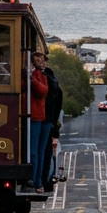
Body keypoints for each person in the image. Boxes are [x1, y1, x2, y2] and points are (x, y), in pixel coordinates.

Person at [26, 50, 51, 193]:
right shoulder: (32, 75)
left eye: (41, 59)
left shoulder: (41, 76)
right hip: (31, 115)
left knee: (35, 152)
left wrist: (32, 79)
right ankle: (35, 180)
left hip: (36, 116)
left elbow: (43, 91)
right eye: (38, 59)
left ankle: (36, 180)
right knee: (34, 152)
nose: (41, 61)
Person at [40, 59, 64, 190]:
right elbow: (58, 108)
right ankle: (48, 179)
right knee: (49, 151)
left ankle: (43, 178)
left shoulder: (46, 85)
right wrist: (55, 124)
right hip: (50, 122)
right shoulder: (57, 89)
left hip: (41, 119)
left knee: (41, 150)